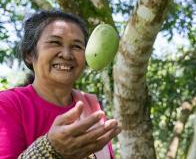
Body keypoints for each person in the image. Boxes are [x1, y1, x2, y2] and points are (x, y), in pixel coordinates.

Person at [0, 11, 121, 159]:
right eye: (55, 42)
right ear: (30, 54)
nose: (66, 54)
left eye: (77, 46)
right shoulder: (8, 104)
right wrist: (48, 150)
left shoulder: (92, 107)